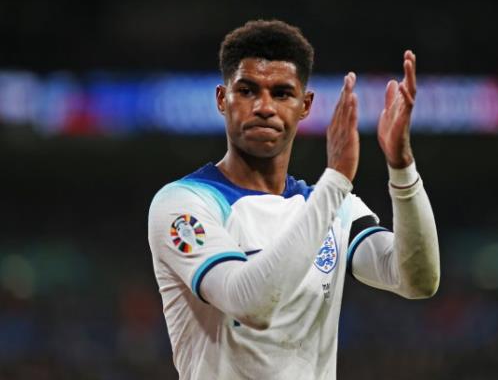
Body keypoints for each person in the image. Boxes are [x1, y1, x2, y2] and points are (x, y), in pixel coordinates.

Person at [147, 19, 440, 380]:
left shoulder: (331, 206)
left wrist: (402, 167)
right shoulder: (185, 203)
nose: (264, 107)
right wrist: (335, 182)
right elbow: (249, 305)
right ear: (223, 99)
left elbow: (417, 280)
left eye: (282, 93)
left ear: (305, 105)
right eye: (248, 90)